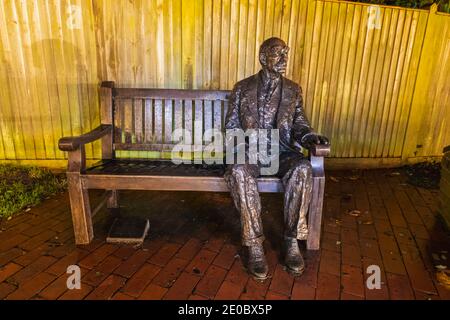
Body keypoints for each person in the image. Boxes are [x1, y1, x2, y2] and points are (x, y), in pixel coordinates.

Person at [224, 37, 329, 279]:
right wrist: (241, 150)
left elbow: (300, 125)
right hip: (251, 153)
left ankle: (292, 240)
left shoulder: (293, 90)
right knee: (239, 170)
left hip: (282, 153)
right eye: (277, 54)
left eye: (286, 54)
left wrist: (310, 137)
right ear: (263, 57)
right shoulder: (242, 88)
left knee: (303, 168)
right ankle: (255, 245)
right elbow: (231, 128)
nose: (283, 60)